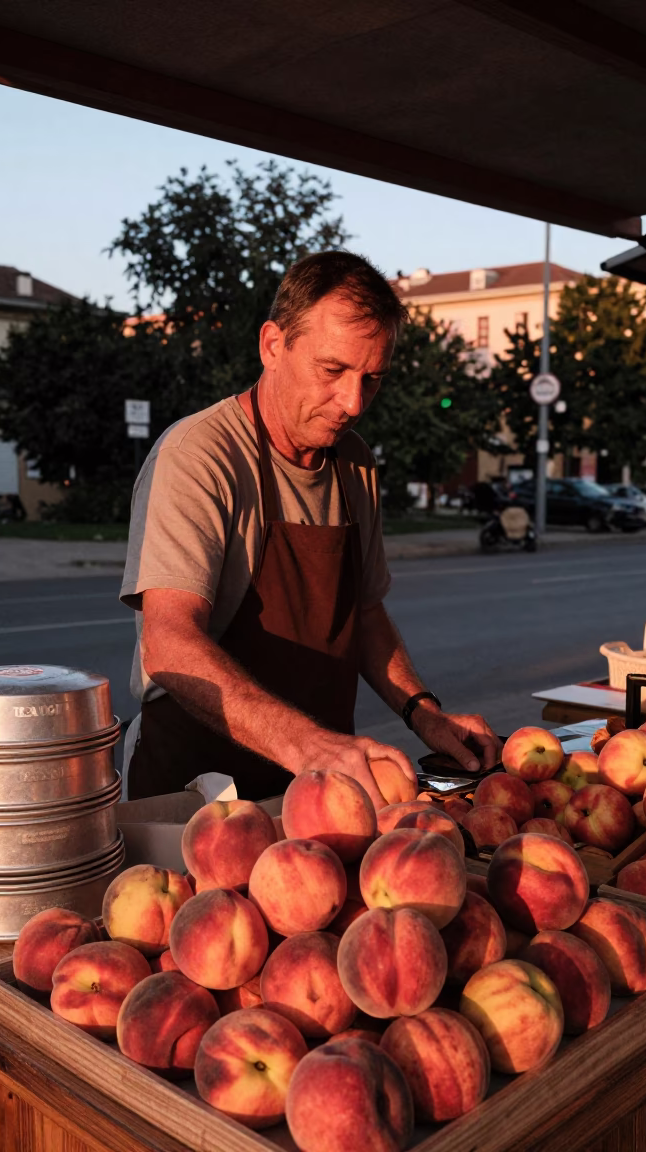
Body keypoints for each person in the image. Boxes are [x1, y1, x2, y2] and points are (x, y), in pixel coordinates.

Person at [120, 251, 502, 802]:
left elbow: (364, 614)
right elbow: (170, 644)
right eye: (332, 371)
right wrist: (310, 747)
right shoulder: (198, 455)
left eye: (372, 379)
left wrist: (425, 713)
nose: (352, 402)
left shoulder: (354, 463)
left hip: (321, 790)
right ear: (273, 345)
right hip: (196, 791)